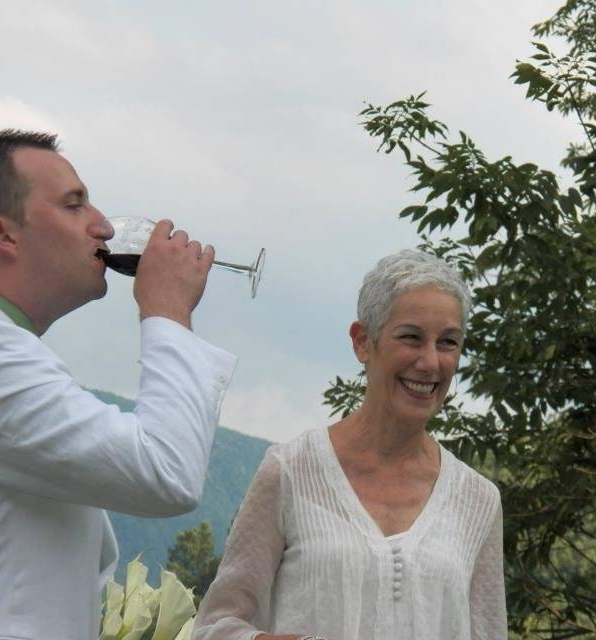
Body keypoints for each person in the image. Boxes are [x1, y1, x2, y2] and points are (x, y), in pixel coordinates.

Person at [0, 129, 237, 638]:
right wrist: (167, 312)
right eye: (75, 206)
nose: (104, 228)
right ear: (2, 234)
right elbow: (164, 471)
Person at [194, 249, 506, 640]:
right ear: (362, 342)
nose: (430, 362)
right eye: (411, 337)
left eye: (448, 342)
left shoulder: (477, 500)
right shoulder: (291, 471)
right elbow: (213, 627)